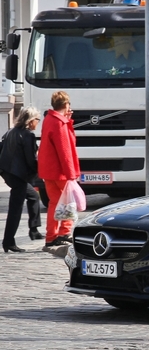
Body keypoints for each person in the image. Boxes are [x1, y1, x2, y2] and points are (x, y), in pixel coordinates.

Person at [38, 91, 81, 248]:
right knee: (69, 202)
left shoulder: (49, 119)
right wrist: (71, 174)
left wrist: (67, 120)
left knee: (54, 203)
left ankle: (51, 236)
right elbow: (65, 150)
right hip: (60, 172)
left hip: (48, 171)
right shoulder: (59, 123)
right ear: (66, 105)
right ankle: (64, 232)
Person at [0, 107, 43, 252]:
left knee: (33, 197)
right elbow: (30, 159)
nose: (37, 123)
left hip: (8, 173)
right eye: (37, 120)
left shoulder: (10, 131)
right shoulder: (27, 135)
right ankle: (9, 242)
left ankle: (34, 229)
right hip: (18, 175)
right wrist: (38, 171)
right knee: (15, 209)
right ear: (31, 121)